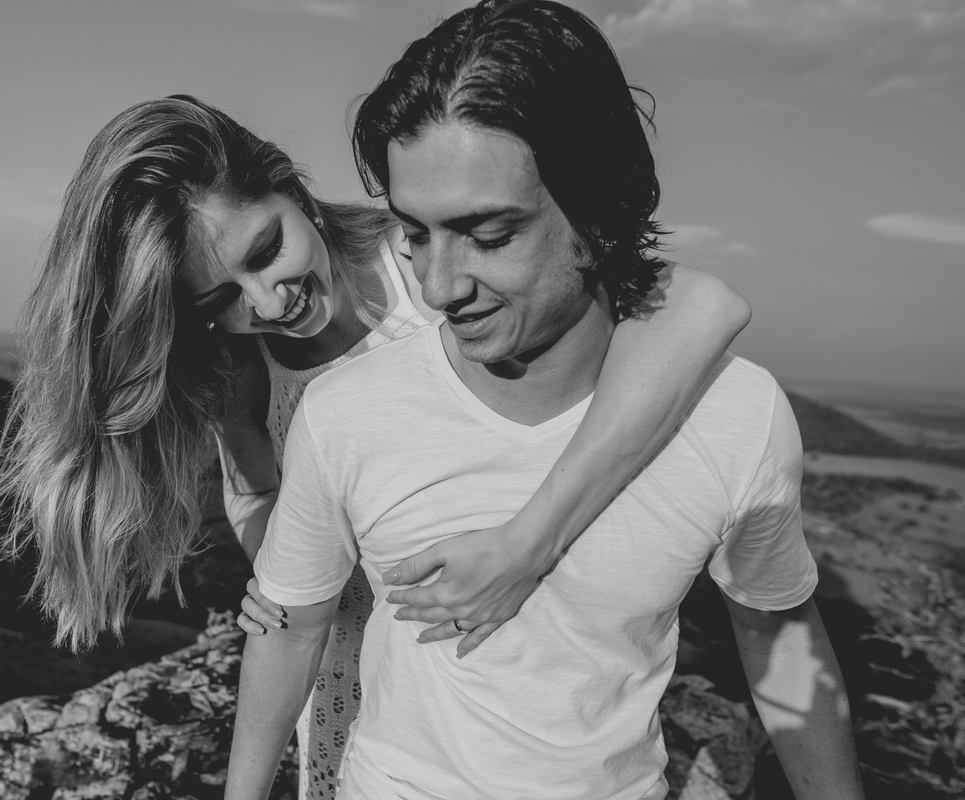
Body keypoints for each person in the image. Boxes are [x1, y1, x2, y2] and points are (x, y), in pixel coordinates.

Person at [0, 92, 748, 800]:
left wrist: (529, 538)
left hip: (533, 674)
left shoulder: (429, 264)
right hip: (354, 680)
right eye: (220, 301)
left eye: (267, 248)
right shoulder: (243, 370)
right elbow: (271, 512)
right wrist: (280, 570)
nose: (269, 302)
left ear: (288, 184)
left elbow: (704, 304)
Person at [225, 2, 866, 799]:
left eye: (489, 236)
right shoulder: (345, 413)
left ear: (598, 218)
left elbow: (774, 626)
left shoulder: (736, 417)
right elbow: (292, 631)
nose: (437, 287)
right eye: (416, 235)